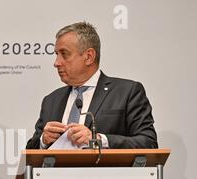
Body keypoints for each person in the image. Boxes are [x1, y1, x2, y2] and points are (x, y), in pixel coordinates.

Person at [26, 22, 158, 149]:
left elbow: (148, 142)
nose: (56, 62)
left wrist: (98, 140)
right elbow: (30, 153)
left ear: (89, 56)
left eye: (64, 54)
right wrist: (43, 141)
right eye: (56, 54)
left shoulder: (127, 92)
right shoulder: (51, 100)